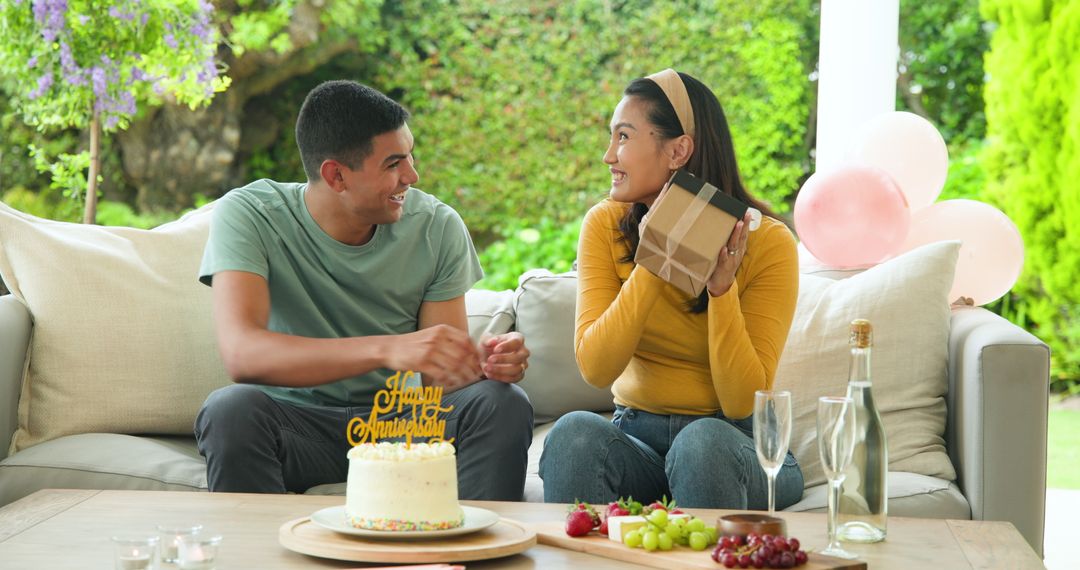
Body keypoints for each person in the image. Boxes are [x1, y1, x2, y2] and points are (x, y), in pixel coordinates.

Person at [194, 80, 533, 500]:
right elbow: (243, 355)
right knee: (230, 410)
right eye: (393, 163)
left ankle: (468, 561)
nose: (412, 175)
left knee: (501, 403)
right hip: (297, 426)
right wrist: (387, 349)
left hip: (404, 426)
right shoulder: (251, 214)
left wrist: (483, 364)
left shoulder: (436, 226)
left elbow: (439, 382)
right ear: (336, 175)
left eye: (410, 156)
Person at [539, 69, 802, 509]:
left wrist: (721, 292)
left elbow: (741, 401)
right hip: (635, 437)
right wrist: (656, 257)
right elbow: (597, 368)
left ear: (678, 150)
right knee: (574, 433)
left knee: (701, 444)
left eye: (623, 136)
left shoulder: (769, 243)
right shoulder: (605, 224)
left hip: (733, 441)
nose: (608, 155)